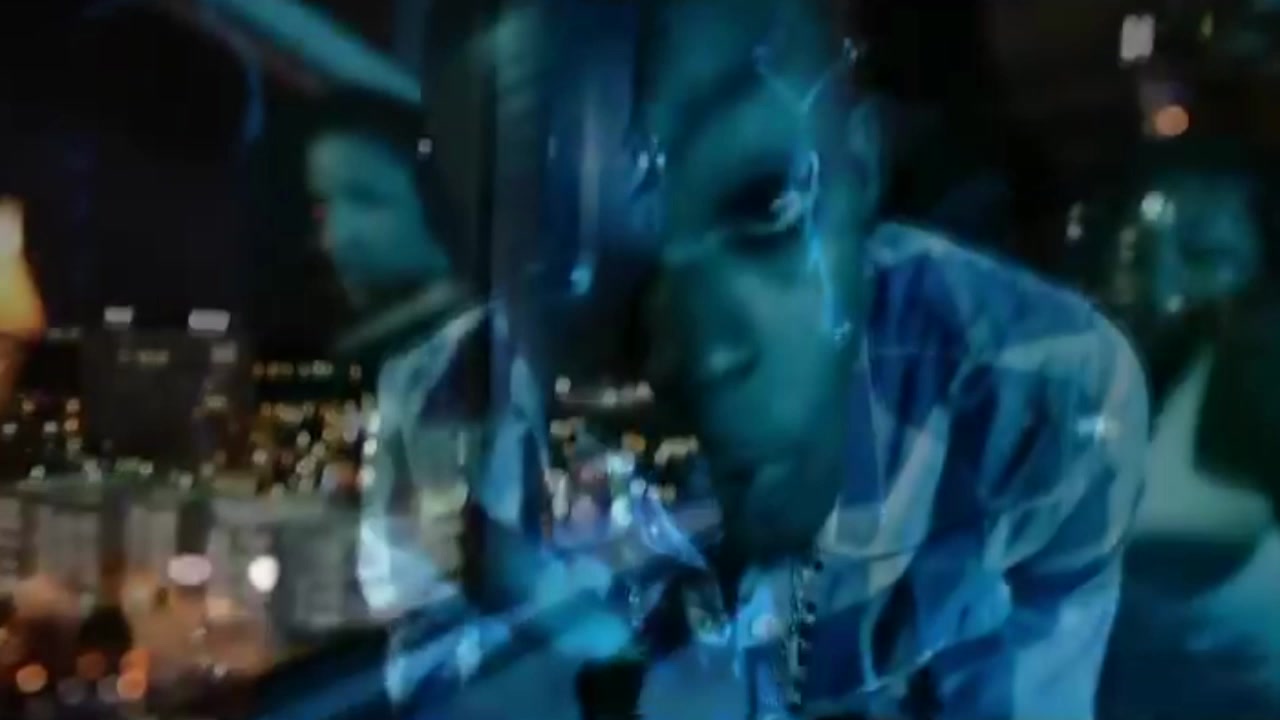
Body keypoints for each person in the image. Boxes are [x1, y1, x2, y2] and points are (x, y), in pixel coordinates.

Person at [368, 2, 1149, 719]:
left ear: (861, 170)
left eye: (766, 200)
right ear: (468, 254)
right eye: (563, 262)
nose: (702, 353)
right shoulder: (440, 420)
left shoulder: (1033, 396)